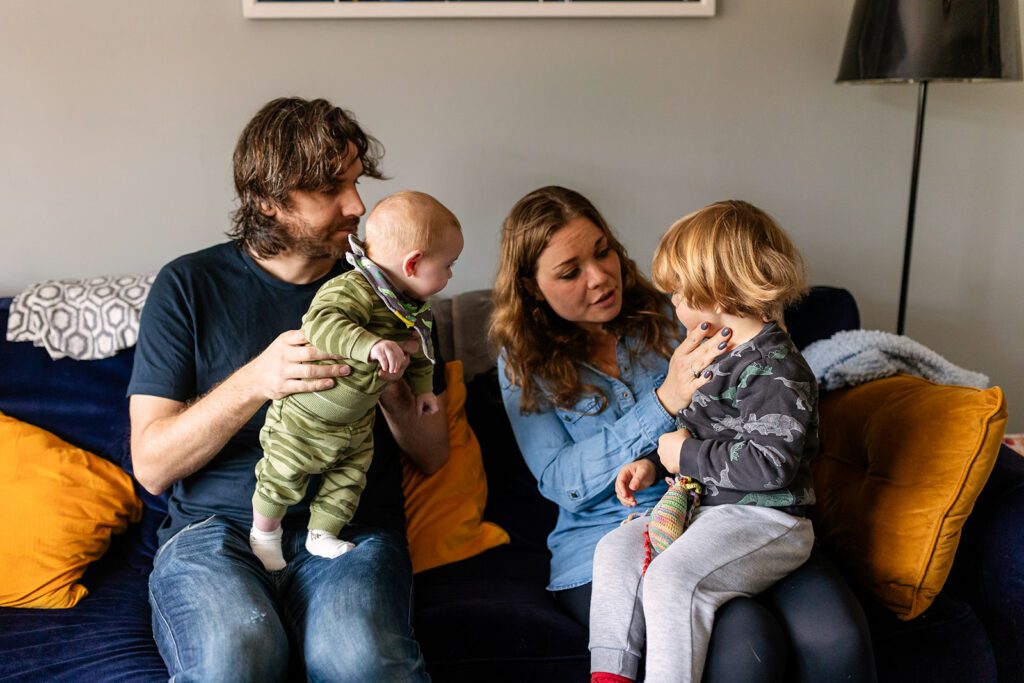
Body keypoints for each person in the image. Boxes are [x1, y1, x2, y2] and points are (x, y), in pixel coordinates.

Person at [491, 186, 876, 682]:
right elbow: (561, 482)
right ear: (531, 286)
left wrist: (678, 449)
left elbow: (757, 405)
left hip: (730, 505)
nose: (600, 276)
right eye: (569, 272)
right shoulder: (523, 362)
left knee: (834, 635)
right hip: (612, 531)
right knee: (745, 637)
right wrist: (661, 405)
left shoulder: (681, 312)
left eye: (603, 251)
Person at [128, 97, 446, 682]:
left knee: (361, 660)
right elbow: (150, 465)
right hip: (214, 533)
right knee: (235, 656)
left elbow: (431, 455)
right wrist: (256, 380)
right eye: (331, 190)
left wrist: (394, 383)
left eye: (355, 183)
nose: (357, 206)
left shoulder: (389, 289)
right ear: (268, 201)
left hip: (347, 527)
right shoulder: (188, 286)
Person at [589, 200, 818, 683]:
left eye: (677, 293)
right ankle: (610, 676)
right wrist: (655, 462)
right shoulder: (709, 350)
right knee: (615, 549)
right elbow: (698, 428)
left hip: (766, 516)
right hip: (704, 508)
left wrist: (684, 454)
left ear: (714, 289)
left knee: (672, 580)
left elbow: (768, 466)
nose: (671, 303)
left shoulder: (778, 368)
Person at [251, 191, 463, 571]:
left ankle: (322, 534)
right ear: (413, 263)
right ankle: (265, 534)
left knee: (349, 480)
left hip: (356, 423)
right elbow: (322, 324)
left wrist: (423, 390)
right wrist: (371, 344)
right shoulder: (352, 288)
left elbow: (419, 352)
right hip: (305, 418)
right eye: (448, 266)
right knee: (282, 474)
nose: (450, 275)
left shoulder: (415, 309)